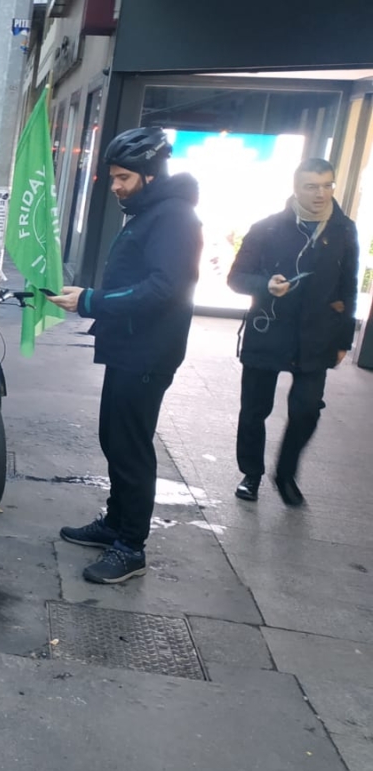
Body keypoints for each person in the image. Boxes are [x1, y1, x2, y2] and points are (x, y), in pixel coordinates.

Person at [47, 127, 202, 584]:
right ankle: (115, 522)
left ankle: (130, 546)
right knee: (113, 438)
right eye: (112, 177)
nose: (115, 186)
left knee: (131, 447)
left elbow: (164, 288)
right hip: (130, 346)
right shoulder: (152, 210)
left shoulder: (174, 217)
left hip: (148, 352)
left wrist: (93, 301)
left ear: (150, 175)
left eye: (122, 178)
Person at [227, 158, 360, 507]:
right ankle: (251, 474)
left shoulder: (344, 231)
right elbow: (236, 279)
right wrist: (265, 285)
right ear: (295, 187)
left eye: (328, 185)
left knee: (306, 410)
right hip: (268, 329)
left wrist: (344, 339)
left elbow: (348, 290)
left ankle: (285, 473)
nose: (321, 193)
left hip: (316, 337)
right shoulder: (266, 228)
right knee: (254, 409)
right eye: (312, 186)